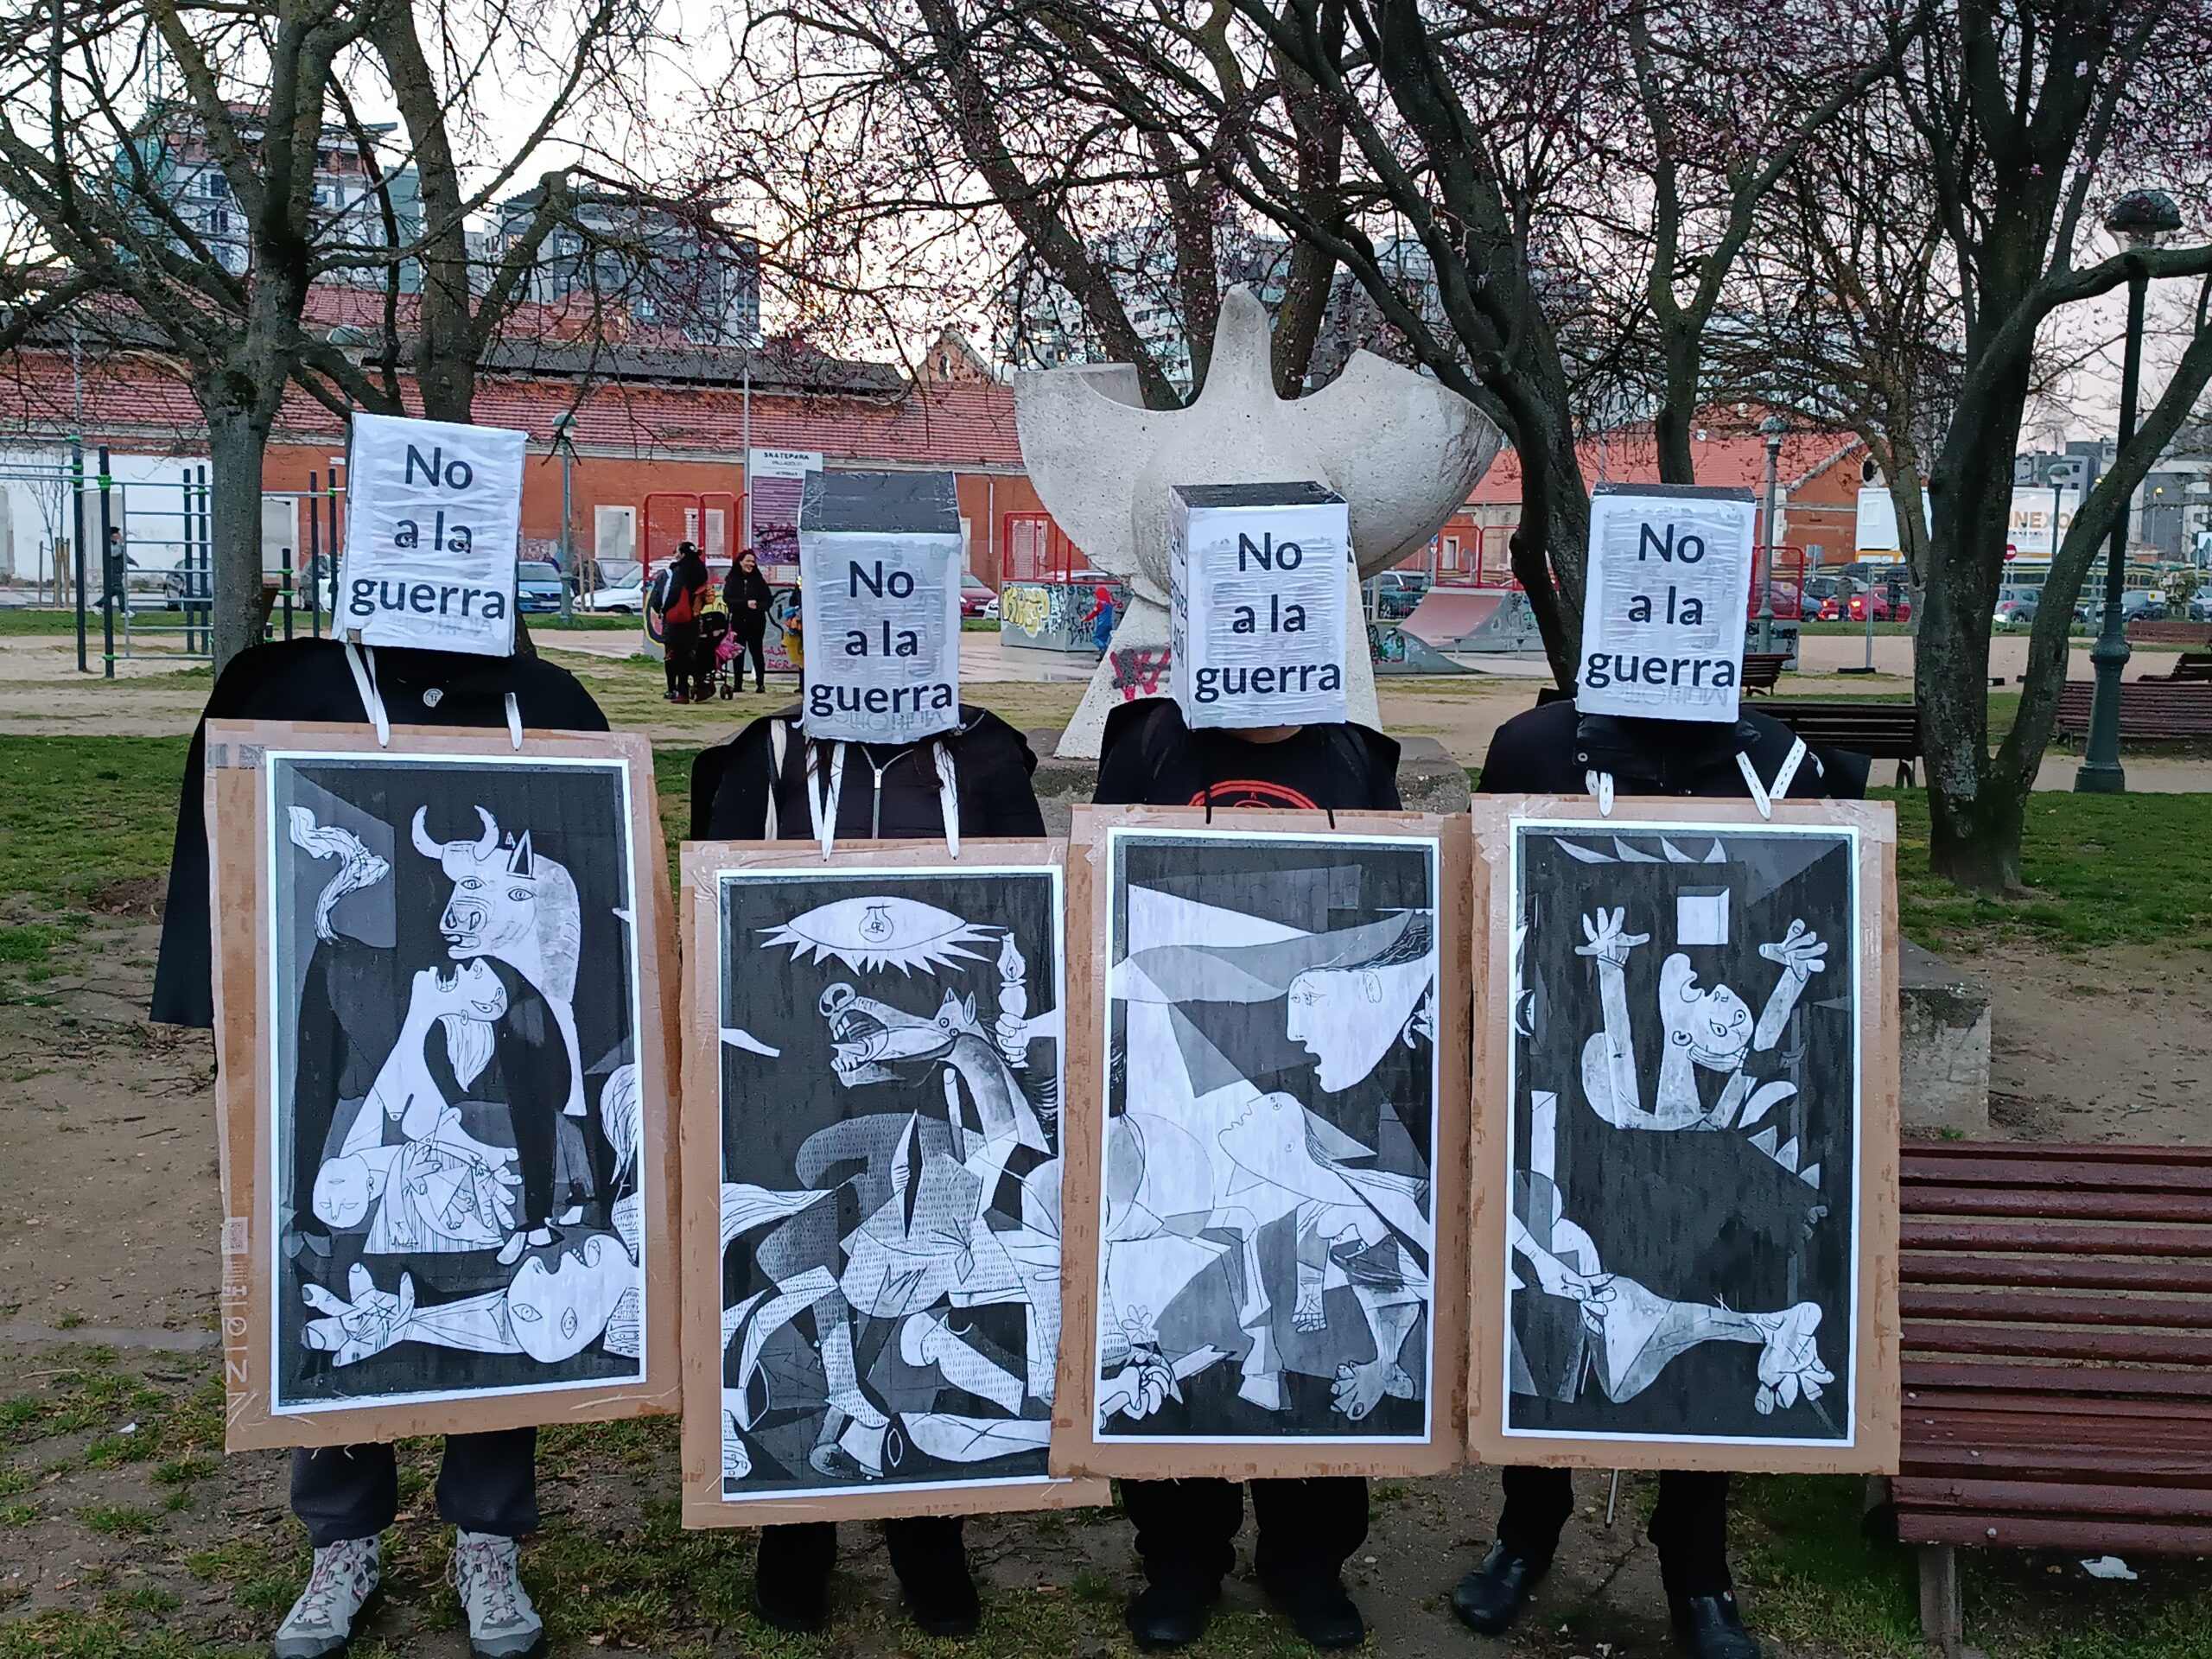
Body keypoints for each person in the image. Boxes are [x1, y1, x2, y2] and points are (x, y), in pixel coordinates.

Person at [152, 636, 610, 1659]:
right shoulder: (289, 693)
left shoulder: (552, 704)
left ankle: (488, 1533)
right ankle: (342, 1537)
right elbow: (230, 859)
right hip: (354, 1025)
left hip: (499, 1061)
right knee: (332, 1252)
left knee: (501, 1243)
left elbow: (589, 911)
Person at [1452, 693, 1868, 1659]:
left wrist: (1788, 974)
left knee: (1706, 1301)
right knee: (1560, 1308)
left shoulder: (1773, 763)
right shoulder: (1535, 748)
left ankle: (1696, 1564)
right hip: (1579, 1110)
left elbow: (1824, 929)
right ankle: (1526, 1532)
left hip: (1706, 1153)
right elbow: (1495, 908)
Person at [690, 696, 1046, 1639]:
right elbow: (713, 912)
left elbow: (1027, 910)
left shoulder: (987, 762)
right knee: (816, 1264)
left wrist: (962, 1044)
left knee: (924, 1276)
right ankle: (790, 1525)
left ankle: (928, 1526)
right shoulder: (763, 757)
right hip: (793, 1096)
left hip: (928, 1105)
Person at [1090, 692, 1402, 1654]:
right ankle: (1181, 1560)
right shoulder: (1147, 740)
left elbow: (1393, 895)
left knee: (1315, 1298)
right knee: (1193, 1296)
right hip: (1173, 1068)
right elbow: (1097, 887)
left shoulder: (1356, 755)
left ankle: (1307, 1561)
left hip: (1311, 1074)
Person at [656, 543, 712, 702]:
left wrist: (665, 609)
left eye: (678, 551)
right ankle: (699, 686)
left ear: (683, 554)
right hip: (693, 618)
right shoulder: (700, 570)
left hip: (679, 618)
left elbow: (674, 592)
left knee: (680, 657)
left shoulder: (680, 570)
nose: (676, 554)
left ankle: (685, 691)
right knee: (688, 654)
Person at [723, 549, 773, 693]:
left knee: (756, 652)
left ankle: (760, 684)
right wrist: (745, 604)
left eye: (753, 562)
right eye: (748, 561)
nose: (751, 564)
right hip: (739, 620)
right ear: (740, 562)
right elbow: (728, 599)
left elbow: (768, 599)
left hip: (756, 622)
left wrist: (759, 607)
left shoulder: (759, 580)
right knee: (738, 652)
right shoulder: (732, 580)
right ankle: (738, 684)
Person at [1082, 582, 1117, 655]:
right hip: (1109, 624)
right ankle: (1102, 655)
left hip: (1102, 624)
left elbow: (1094, 613)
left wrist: (1086, 619)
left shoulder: (1100, 603)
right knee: (1104, 639)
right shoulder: (1109, 603)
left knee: (1095, 638)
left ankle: (1105, 649)